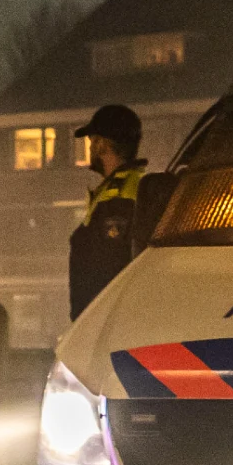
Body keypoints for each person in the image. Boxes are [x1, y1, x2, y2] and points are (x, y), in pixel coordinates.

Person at [67, 104, 146, 321]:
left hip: (106, 321)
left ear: (102, 144)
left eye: (91, 142)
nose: (90, 149)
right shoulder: (121, 188)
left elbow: (108, 266)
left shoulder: (119, 195)